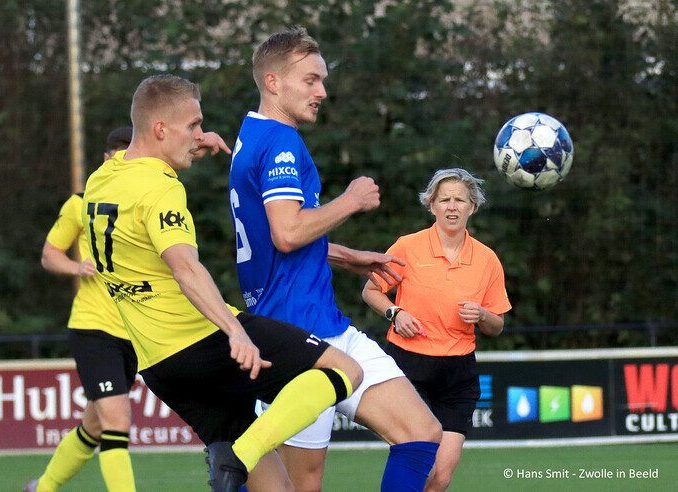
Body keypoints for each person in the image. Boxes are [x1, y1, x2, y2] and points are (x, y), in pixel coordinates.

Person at [83, 74, 364, 492]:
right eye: (193, 125)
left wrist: (193, 142)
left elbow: (140, 164)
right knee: (344, 370)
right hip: (203, 341)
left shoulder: (101, 179)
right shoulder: (161, 190)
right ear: (161, 129)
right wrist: (235, 332)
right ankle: (241, 453)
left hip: (159, 366)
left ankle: (234, 457)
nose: (200, 132)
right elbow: (186, 269)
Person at [229, 27, 442, 492]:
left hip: (318, 325)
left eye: (322, 80)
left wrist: (346, 257)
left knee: (423, 436)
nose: (322, 91)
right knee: (301, 485)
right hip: (295, 333)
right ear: (273, 81)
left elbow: (274, 235)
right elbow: (286, 233)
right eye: (310, 80)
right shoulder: (282, 144)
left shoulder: (251, 134)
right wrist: (352, 198)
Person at [362, 168, 512, 491]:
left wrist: (483, 314)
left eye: (460, 199)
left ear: (472, 206)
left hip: (458, 372)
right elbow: (370, 291)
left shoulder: (487, 260)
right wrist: (395, 312)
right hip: (409, 366)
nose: (452, 206)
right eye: (444, 200)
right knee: (417, 464)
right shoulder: (407, 247)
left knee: (440, 477)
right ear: (431, 205)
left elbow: (497, 325)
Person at [26, 127, 137, 492]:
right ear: (107, 159)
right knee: (117, 421)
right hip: (94, 328)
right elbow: (49, 254)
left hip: (133, 332)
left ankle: (41, 488)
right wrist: (77, 268)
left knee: (94, 425)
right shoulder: (81, 202)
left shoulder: (143, 201)